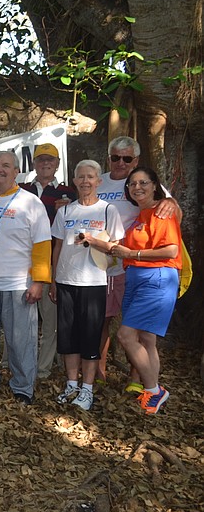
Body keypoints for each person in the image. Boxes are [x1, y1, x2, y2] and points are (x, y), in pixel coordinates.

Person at [0, 151, 52, 405]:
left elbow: (42, 244)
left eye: (6, 165)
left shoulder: (30, 202)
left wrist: (39, 282)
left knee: (21, 340)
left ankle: (23, 387)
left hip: (18, 284)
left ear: (17, 171)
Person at [96, 137, 180, 389]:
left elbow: (173, 232)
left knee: (133, 333)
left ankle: (145, 384)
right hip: (115, 267)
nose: (120, 162)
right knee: (121, 326)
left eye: (127, 158)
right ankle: (108, 376)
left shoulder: (155, 201)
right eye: (115, 157)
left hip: (148, 272)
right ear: (108, 157)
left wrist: (171, 201)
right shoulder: (101, 182)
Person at [49, 160, 124, 411]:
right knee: (68, 337)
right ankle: (71, 383)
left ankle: (87, 389)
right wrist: (53, 279)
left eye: (90, 177)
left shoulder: (108, 210)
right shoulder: (65, 212)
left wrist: (93, 240)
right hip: (66, 281)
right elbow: (58, 246)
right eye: (80, 177)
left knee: (90, 336)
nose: (85, 181)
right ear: (74, 181)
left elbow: (116, 247)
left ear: (98, 181)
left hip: (94, 282)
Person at [107, 166, 182, 414]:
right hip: (137, 278)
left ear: (154, 185)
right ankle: (152, 394)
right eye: (132, 184)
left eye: (143, 183)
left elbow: (171, 250)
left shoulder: (162, 212)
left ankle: (153, 390)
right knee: (147, 339)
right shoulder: (142, 215)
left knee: (126, 336)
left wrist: (132, 253)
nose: (137, 187)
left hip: (157, 278)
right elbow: (124, 248)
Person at [19, 143, 77, 379]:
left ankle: (42, 369)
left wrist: (69, 209)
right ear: (33, 163)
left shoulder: (69, 193)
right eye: (41, 160)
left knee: (50, 319)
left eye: (50, 160)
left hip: (53, 260)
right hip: (22, 262)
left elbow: (77, 225)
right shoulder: (20, 189)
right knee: (21, 316)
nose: (45, 164)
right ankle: (17, 362)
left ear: (57, 164)